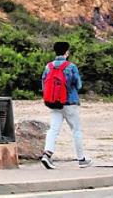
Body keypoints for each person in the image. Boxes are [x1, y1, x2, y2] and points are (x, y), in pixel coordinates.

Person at [40, 40, 93, 168]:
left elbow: (43, 85)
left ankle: (47, 154)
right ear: (67, 52)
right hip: (70, 103)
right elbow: (79, 85)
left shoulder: (48, 66)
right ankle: (81, 159)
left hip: (54, 103)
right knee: (76, 130)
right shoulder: (71, 66)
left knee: (53, 129)